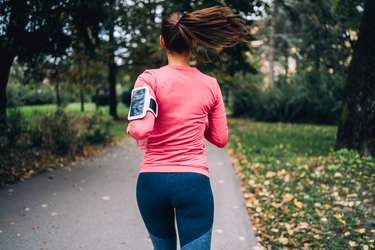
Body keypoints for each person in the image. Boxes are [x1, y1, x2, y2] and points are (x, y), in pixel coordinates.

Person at [127, 6, 248, 250]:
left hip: (151, 183)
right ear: (193, 41)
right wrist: (196, 119)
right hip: (193, 183)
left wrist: (135, 127)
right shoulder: (210, 85)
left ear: (162, 41)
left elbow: (140, 130)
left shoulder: (147, 79)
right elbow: (220, 138)